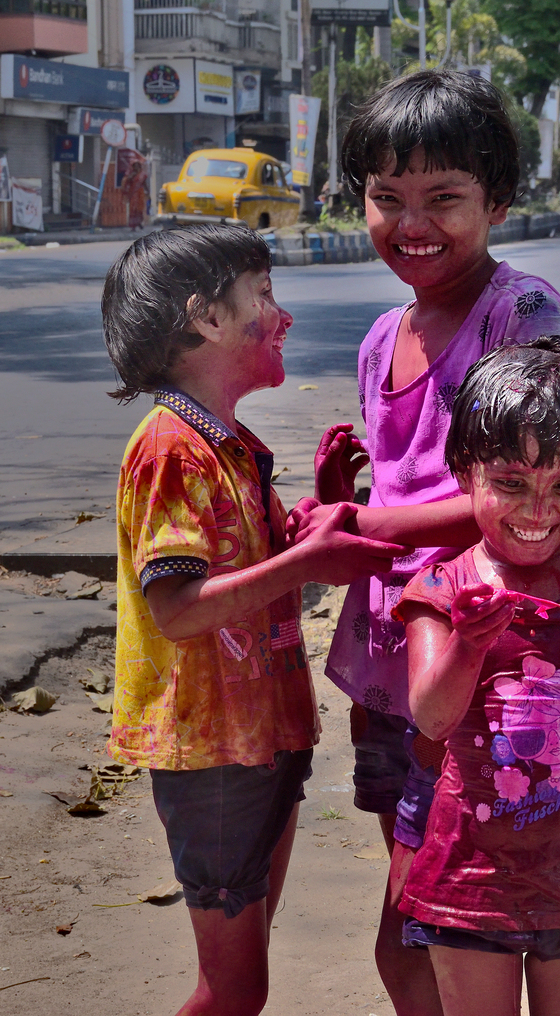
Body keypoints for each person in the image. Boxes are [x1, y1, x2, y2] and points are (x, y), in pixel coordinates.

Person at [289, 70, 560, 1015]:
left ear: (498, 200)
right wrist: (346, 503)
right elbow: (411, 484)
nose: (411, 224)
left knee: (463, 918)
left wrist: (371, 526)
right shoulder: (384, 336)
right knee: (420, 916)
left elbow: (530, 492)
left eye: (443, 197)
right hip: (389, 665)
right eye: (388, 197)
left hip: (489, 664)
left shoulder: (519, 315)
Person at [101, 223, 406, 1016]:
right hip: (212, 755)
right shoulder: (171, 449)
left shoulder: (226, 442)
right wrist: (308, 562)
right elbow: (178, 609)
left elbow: (252, 570)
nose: (283, 316)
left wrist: (321, 511)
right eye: (263, 295)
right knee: (234, 989)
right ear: (207, 318)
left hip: (259, 737)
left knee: (243, 979)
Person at [394, 338, 560, 1016]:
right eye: (511, 484)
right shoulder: (441, 589)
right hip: (469, 876)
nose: (538, 512)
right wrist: (467, 644)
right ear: (466, 474)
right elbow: (432, 717)